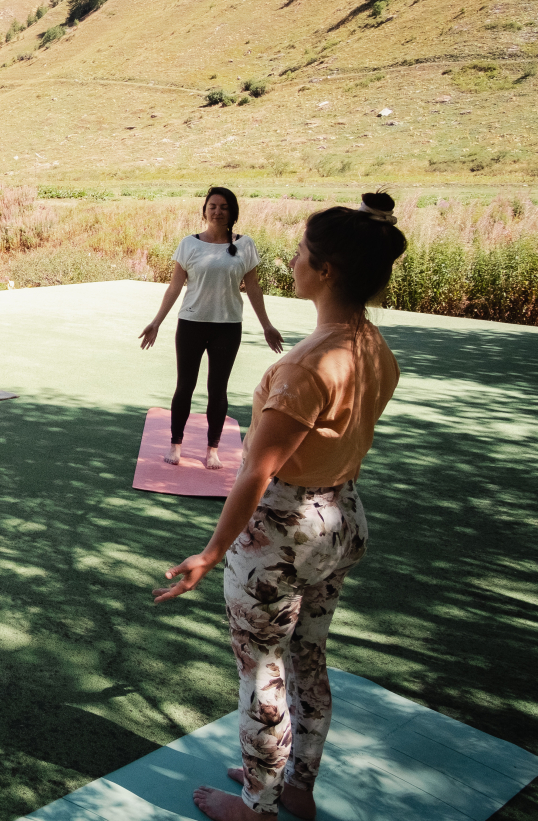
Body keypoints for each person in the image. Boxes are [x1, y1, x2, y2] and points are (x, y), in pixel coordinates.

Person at [152, 193, 408, 821]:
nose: (291, 260)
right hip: (340, 520)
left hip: (282, 537)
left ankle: (259, 805)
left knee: (261, 671)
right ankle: (295, 781)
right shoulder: (372, 347)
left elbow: (256, 476)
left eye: (300, 252)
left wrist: (211, 554)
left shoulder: (304, 368)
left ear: (324, 271)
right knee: (309, 658)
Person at [140, 187, 283, 469]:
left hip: (227, 326)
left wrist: (267, 325)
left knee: (218, 389)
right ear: (205, 210)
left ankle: (212, 449)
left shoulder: (245, 245)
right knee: (185, 386)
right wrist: (156, 322)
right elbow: (174, 288)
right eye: (213, 206)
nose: (218, 211)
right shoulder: (189, 244)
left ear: (233, 212)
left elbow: (253, 287)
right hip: (191, 323)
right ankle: (176, 444)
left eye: (224, 207)